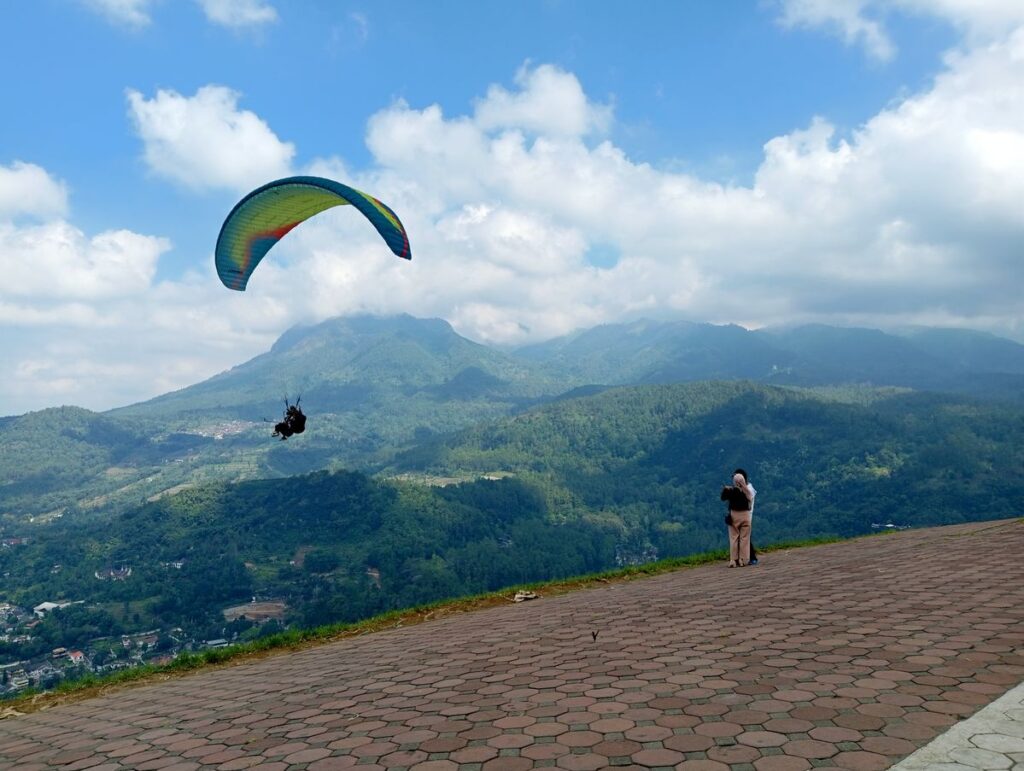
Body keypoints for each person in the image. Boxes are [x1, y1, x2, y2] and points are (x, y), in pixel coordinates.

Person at [721, 471, 753, 567]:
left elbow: (723, 498)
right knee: (744, 538)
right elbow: (750, 503)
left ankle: (733, 560)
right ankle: (743, 559)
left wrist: (725, 489)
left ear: (734, 481)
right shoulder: (747, 492)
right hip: (746, 515)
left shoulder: (731, 491)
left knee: (734, 537)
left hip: (734, 515)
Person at [734, 468, 759, 565]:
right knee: (741, 537)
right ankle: (742, 558)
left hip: (746, 516)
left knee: (745, 537)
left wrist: (742, 486)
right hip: (739, 516)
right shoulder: (739, 489)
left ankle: (752, 558)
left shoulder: (749, 488)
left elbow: (749, 497)